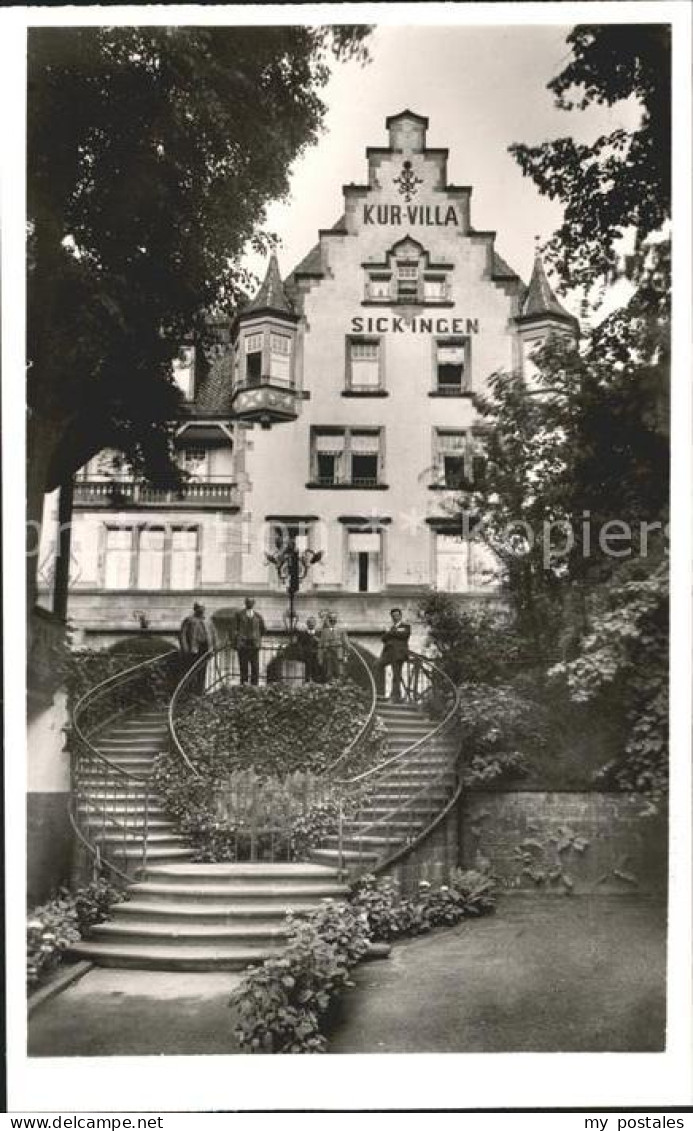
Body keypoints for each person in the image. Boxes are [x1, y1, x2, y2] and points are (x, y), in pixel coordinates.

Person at [179, 602, 218, 693]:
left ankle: (200, 690)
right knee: (192, 670)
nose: (202, 610)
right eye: (199, 608)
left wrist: (215, 646)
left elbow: (214, 633)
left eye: (203, 608)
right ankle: (190, 691)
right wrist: (185, 648)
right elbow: (182, 635)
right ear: (195, 609)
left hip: (205, 648)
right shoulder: (189, 620)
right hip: (193, 648)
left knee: (202, 670)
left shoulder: (208, 620)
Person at [376, 607, 411, 702]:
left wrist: (390, 633)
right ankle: (380, 693)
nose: (395, 617)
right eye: (393, 616)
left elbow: (404, 635)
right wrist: (392, 632)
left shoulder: (406, 626)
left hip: (399, 654)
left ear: (400, 616)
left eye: (397, 615)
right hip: (388, 654)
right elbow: (383, 638)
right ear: (391, 617)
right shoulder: (392, 628)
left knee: (396, 675)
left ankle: (395, 696)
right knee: (378, 665)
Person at [232, 596, 266, 686]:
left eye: (251, 602)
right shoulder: (239, 614)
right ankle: (244, 685)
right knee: (243, 667)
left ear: (254, 604)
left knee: (255, 667)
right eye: (247, 602)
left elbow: (263, 630)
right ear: (245, 603)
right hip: (243, 644)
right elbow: (234, 629)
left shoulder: (258, 616)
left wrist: (257, 637)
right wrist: (236, 641)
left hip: (254, 645)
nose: (249, 604)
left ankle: (254, 686)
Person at [319, 612, 349, 682]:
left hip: (338, 653)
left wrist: (346, 655)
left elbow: (346, 643)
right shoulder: (324, 632)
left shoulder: (341, 630)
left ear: (336, 620)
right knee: (328, 671)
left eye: (334, 619)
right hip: (328, 654)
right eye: (331, 620)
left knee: (339, 670)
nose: (332, 621)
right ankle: (329, 684)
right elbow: (320, 646)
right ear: (328, 620)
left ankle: (340, 683)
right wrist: (320, 658)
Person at [298, 615, 322, 682]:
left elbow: (322, 645)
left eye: (313, 623)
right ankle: (307, 683)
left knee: (316, 672)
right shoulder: (302, 634)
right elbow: (300, 646)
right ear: (307, 624)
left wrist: (318, 640)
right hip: (306, 657)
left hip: (316, 657)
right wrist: (303, 654)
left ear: (315, 624)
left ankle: (316, 684)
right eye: (309, 623)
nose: (311, 624)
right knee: (306, 673)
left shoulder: (319, 634)